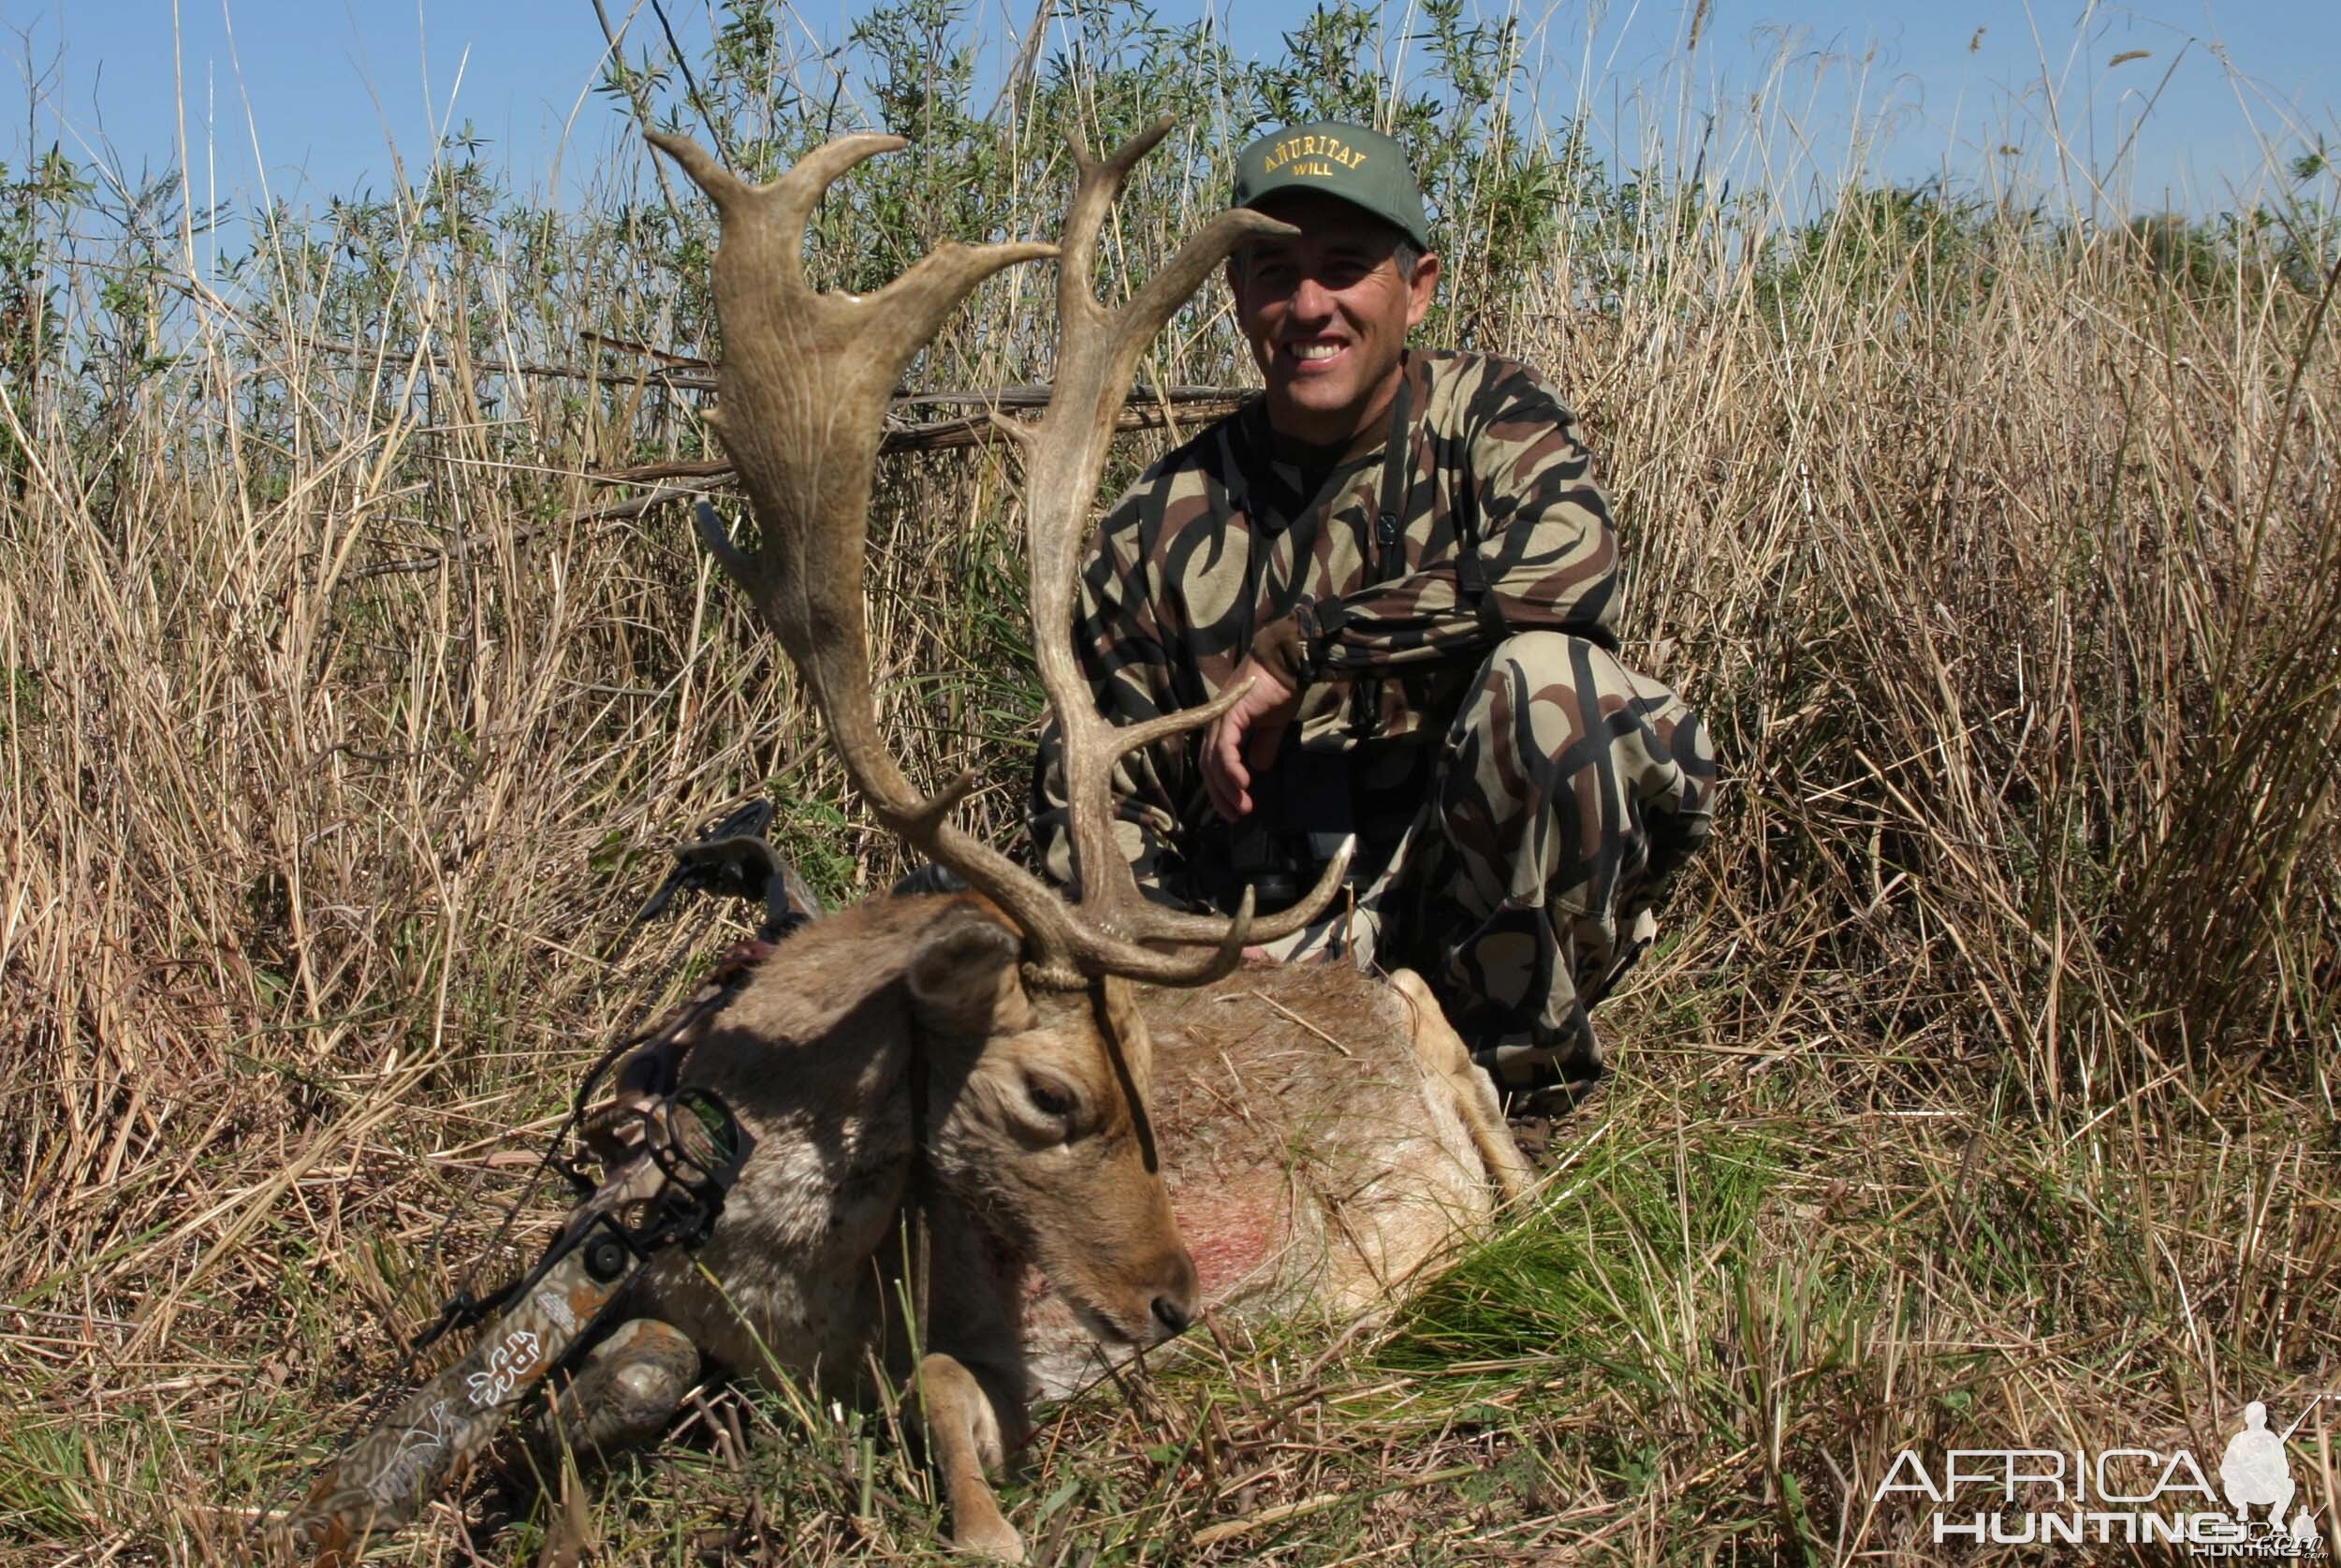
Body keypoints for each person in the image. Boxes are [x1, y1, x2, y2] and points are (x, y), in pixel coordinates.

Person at [1031, 121, 1717, 1102]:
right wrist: (1187, 967)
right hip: (1258, 959)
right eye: (1273, 270)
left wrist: (1304, 648)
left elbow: (1573, 571)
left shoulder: (1488, 416)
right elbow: (1099, 792)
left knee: (1553, 688)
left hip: (1466, 920)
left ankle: (1519, 1095)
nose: (1309, 305)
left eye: (1344, 268)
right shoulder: (1156, 522)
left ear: (1418, 286)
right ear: (1235, 293)